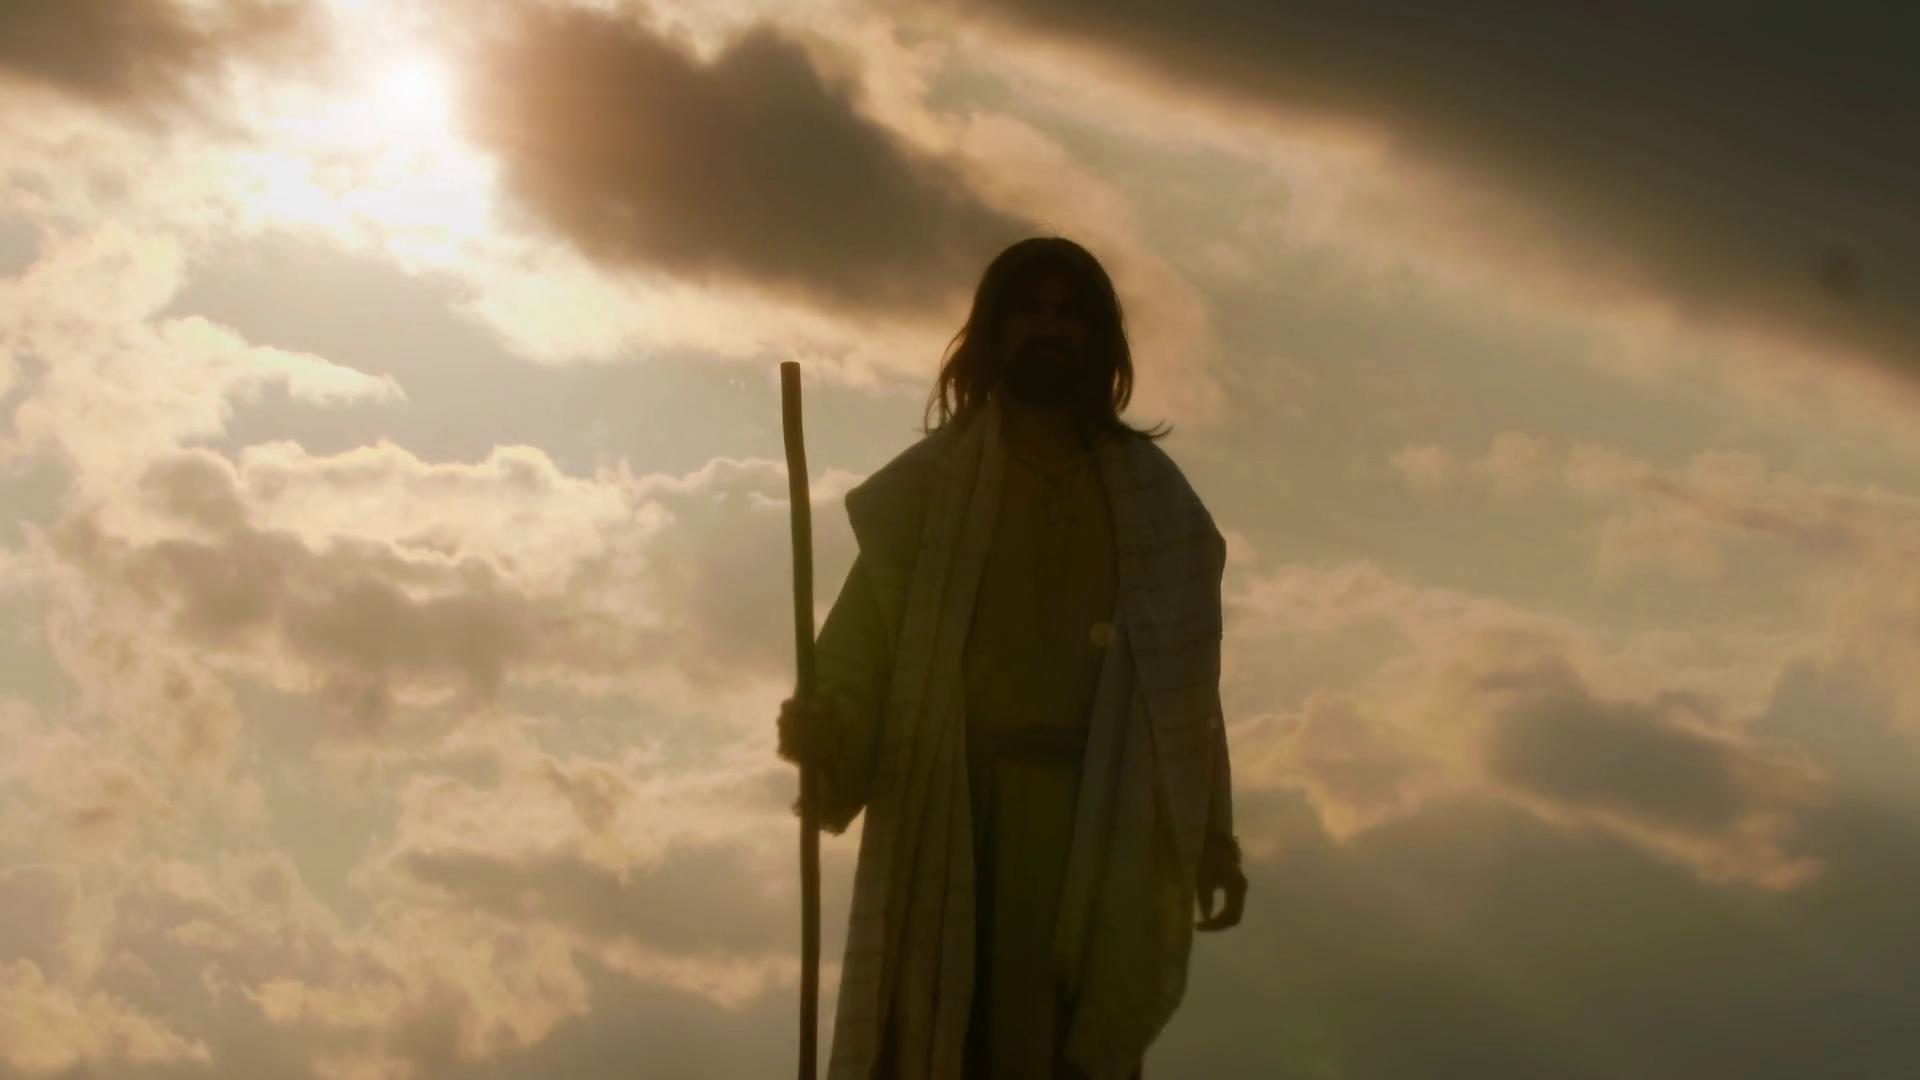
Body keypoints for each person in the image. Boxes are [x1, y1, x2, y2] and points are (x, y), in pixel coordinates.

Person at [778, 236, 1246, 1080]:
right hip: (960, 817)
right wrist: (828, 726)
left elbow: (1185, 689)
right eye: (1030, 311)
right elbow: (861, 651)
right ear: (994, 333)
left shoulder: (1158, 503)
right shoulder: (925, 493)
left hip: (1102, 821)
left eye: (1070, 314)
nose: (1050, 328)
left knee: (1074, 1049)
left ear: (1099, 339)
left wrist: (1210, 833)